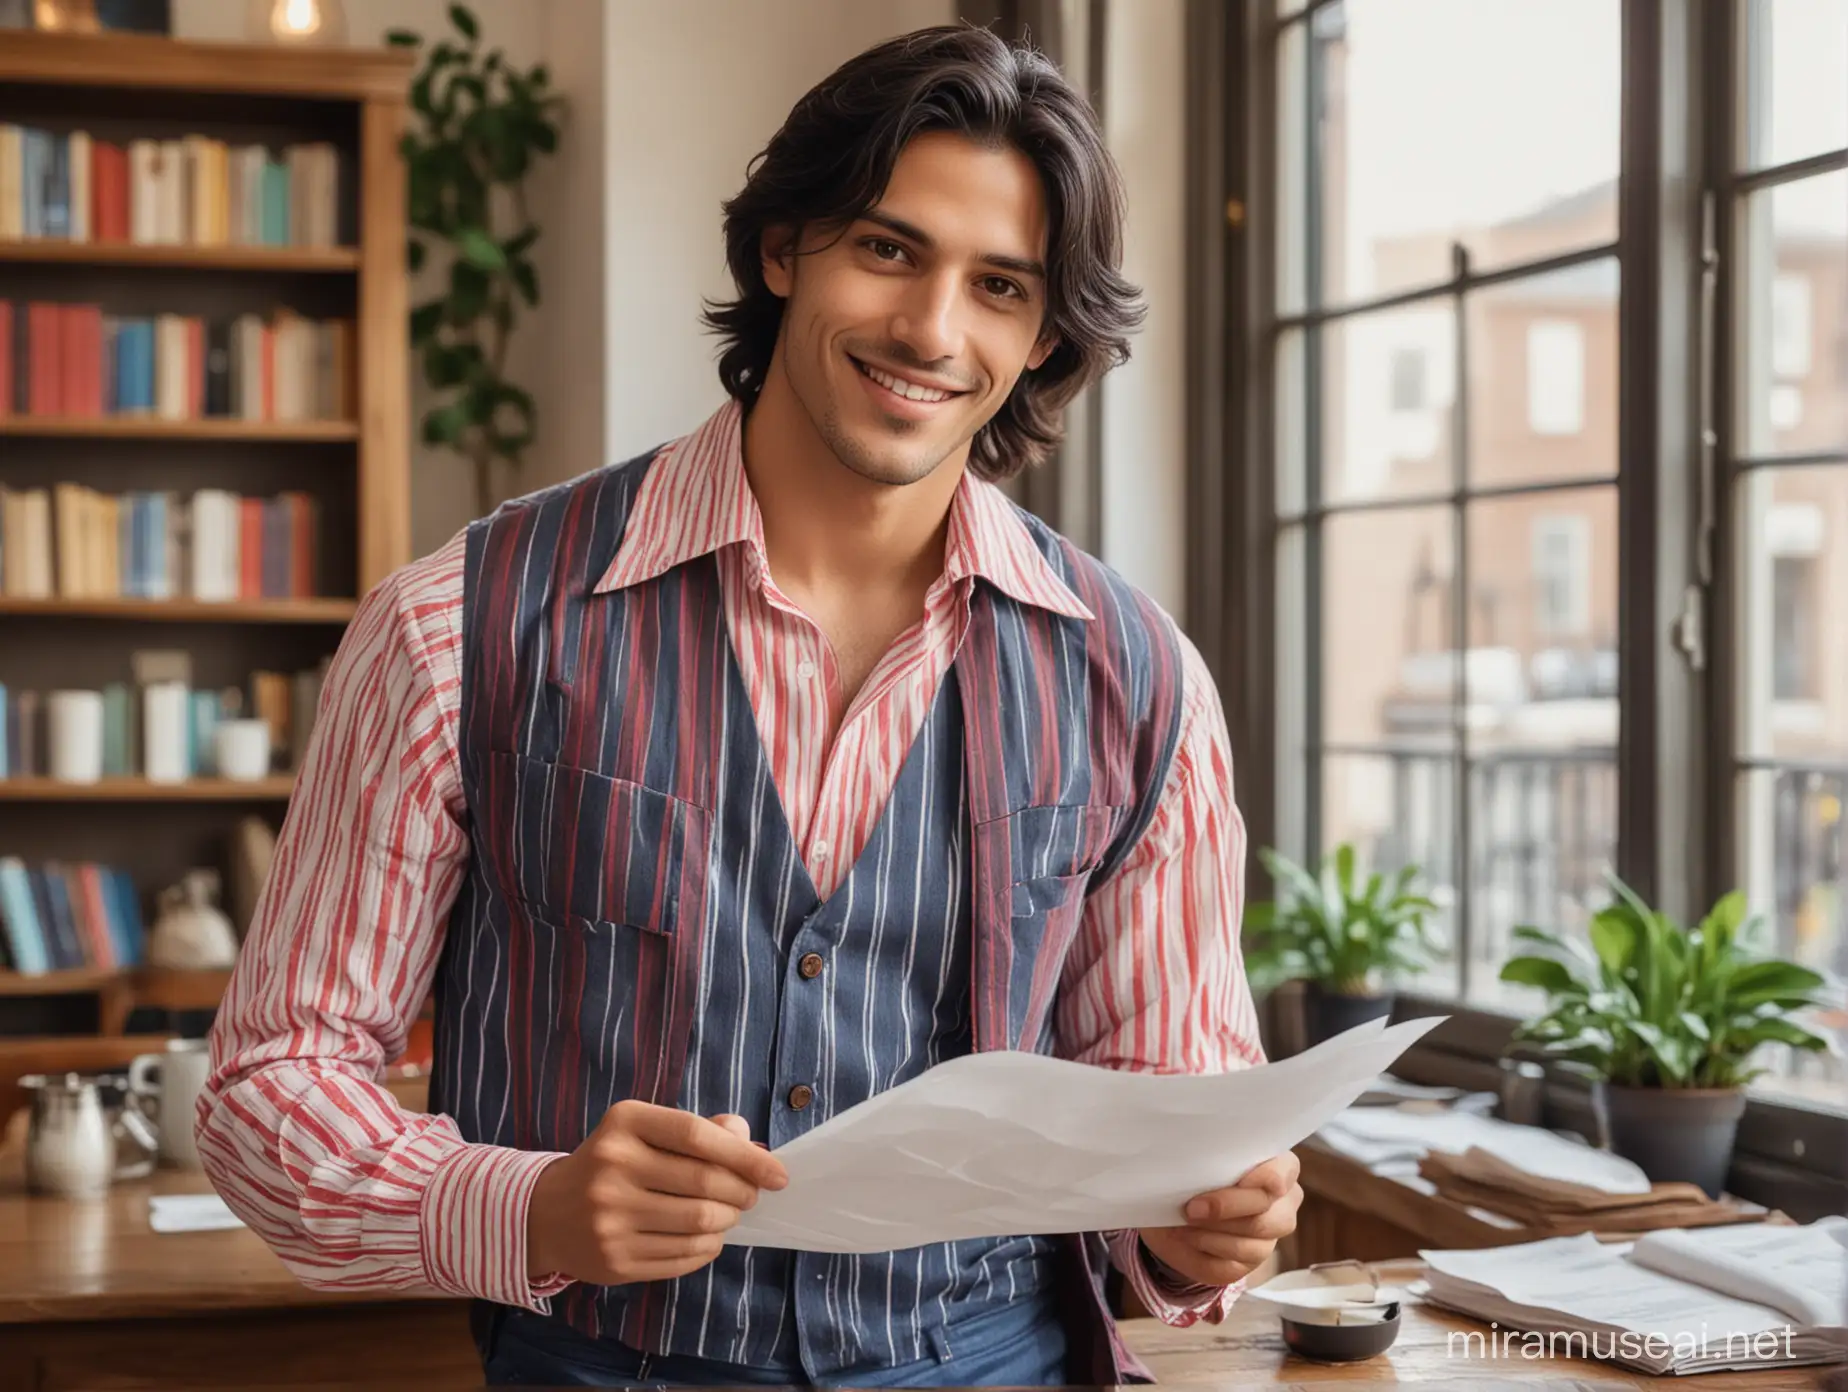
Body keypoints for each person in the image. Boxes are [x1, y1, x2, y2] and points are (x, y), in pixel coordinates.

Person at [197, 22, 1300, 1389]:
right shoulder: (455, 627)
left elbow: (1170, 1140)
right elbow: (269, 1086)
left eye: (1001, 286)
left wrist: (1205, 1232)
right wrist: (528, 1207)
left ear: (1041, 336)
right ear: (784, 248)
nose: (931, 329)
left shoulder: (1141, 681)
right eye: (888, 249)